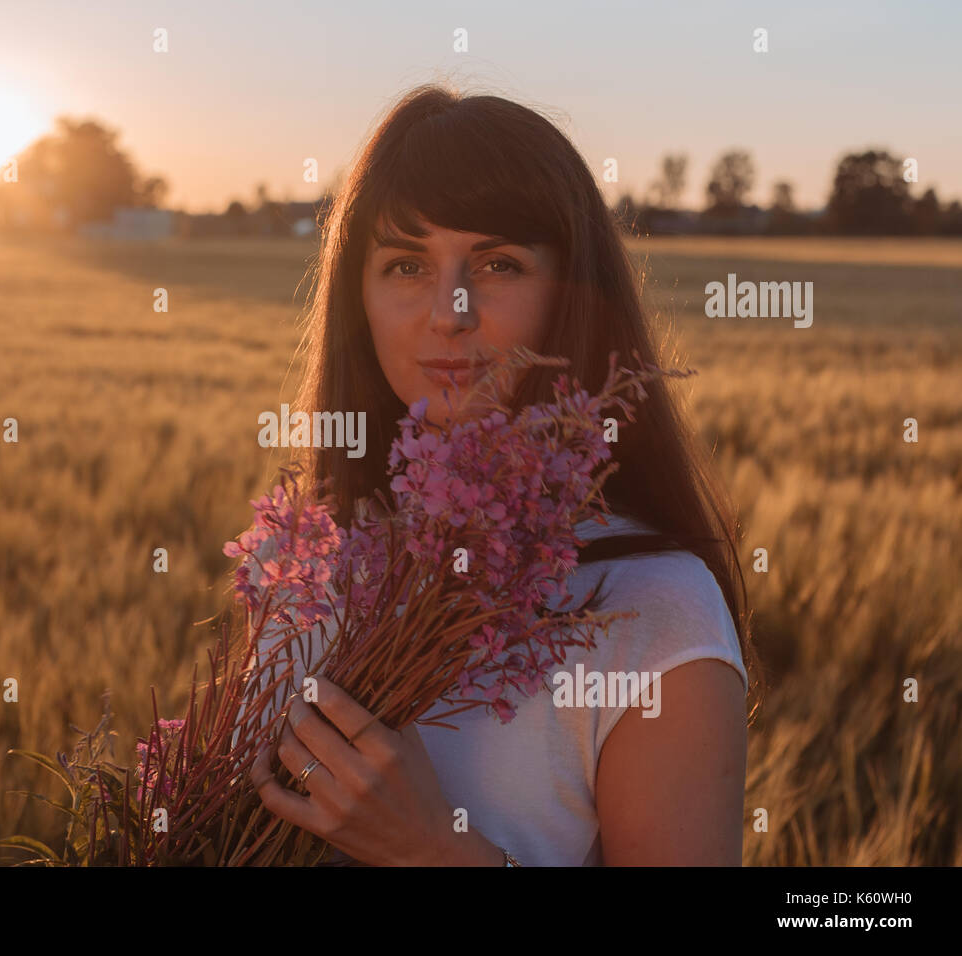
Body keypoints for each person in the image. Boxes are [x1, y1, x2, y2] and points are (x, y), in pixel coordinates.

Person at [243, 83, 761, 866]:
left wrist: (427, 851)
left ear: (573, 294)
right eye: (407, 263)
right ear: (359, 296)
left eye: (499, 262)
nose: (450, 312)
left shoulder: (653, 607)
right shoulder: (305, 561)